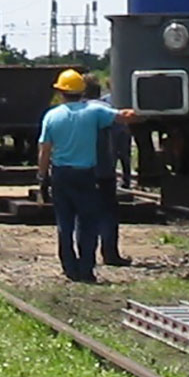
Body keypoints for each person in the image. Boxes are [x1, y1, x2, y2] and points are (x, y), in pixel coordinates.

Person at [36, 70, 134, 283]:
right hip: (86, 175)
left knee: (65, 223)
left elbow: (44, 150)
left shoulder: (51, 116)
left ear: (61, 92)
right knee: (88, 223)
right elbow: (124, 116)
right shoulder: (94, 112)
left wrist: (42, 177)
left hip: (61, 175)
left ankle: (70, 268)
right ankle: (86, 268)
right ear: (82, 92)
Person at [83, 76, 132, 267]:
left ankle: (85, 256)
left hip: (81, 169)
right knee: (108, 213)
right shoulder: (104, 111)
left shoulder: (72, 111)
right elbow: (122, 126)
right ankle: (110, 254)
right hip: (104, 168)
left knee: (83, 215)